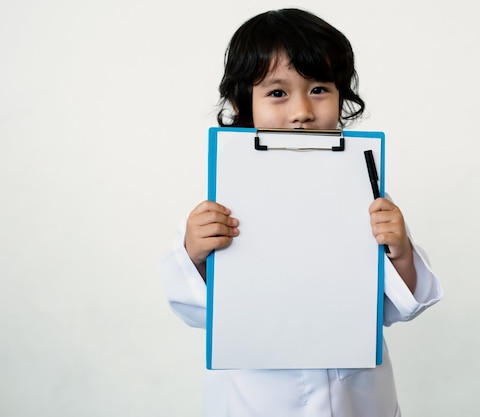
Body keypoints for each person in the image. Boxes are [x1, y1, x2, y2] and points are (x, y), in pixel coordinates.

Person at [160, 8, 443, 417]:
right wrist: (195, 253)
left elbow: (396, 306)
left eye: (319, 89)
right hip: (256, 398)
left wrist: (399, 251)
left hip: (356, 397)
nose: (301, 112)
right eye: (277, 93)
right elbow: (193, 307)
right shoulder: (223, 196)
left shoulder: (366, 191)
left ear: (341, 96)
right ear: (246, 102)